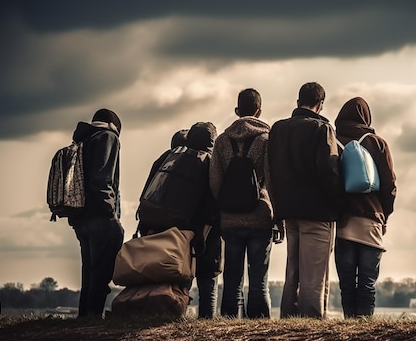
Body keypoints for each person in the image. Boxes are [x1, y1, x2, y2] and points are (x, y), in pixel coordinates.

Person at [268, 82, 343, 319]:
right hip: (317, 211)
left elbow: (270, 171)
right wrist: (337, 206)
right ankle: (311, 321)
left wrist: (277, 209)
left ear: (298, 100)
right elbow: (329, 171)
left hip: (288, 210)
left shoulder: (278, 129)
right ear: (320, 104)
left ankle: (288, 318)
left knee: (293, 271)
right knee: (314, 274)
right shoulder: (322, 129)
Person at [209, 88, 282, 319]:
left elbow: (215, 182)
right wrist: (278, 217)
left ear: (237, 111)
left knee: (232, 279)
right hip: (260, 216)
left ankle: (228, 325)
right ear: (259, 111)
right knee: (259, 279)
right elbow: (271, 180)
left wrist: (227, 205)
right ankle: (259, 327)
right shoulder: (267, 139)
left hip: (230, 219)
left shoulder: (221, 141)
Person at [137, 123, 221, 319]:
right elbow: (211, 203)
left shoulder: (168, 158)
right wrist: (204, 233)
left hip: (171, 230)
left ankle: (174, 314)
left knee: (179, 277)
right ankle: (206, 321)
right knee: (208, 279)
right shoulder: (209, 161)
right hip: (202, 231)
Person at [333, 97, 397, 317]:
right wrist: (385, 215)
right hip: (371, 221)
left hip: (342, 223)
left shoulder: (332, 141)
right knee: (368, 283)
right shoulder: (377, 143)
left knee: (347, 284)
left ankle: (349, 326)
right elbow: (389, 186)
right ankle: (364, 329)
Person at [68, 108, 125, 318]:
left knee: (89, 272)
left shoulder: (83, 140)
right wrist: (110, 212)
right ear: (114, 125)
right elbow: (102, 179)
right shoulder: (107, 137)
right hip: (100, 216)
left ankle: (85, 317)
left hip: (81, 218)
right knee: (101, 274)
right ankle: (93, 319)